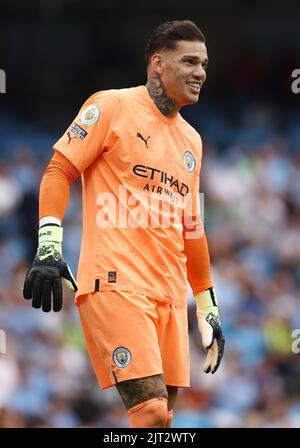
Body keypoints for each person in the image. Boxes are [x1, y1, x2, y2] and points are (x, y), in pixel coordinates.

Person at [23, 20, 225, 428]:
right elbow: (59, 170)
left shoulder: (192, 141)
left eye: (203, 63)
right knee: (149, 413)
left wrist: (207, 307)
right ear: (157, 63)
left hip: (168, 294)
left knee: (162, 420)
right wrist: (49, 244)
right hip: (116, 282)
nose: (200, 72)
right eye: (189, 61)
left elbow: (192, 228)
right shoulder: (112, 105)